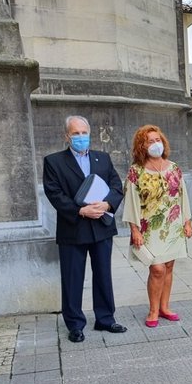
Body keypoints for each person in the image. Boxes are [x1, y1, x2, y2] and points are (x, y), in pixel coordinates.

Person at [43, 116, 126, 343]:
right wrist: (80, 211)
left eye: (84, 133)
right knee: (72, 278)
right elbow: (54, 193)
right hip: (73, 229)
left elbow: (116, 186)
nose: (80, 137)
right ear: (66, 136)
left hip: (101, 227)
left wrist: (107, 204)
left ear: (90, 133)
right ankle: (75, 324)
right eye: (75, 133)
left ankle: (105, 319)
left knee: (103, 275)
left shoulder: (103, 158)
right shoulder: (54, 161)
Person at [123, 125, 192, 327]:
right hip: (148, 229)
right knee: (157, 269)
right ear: (142, 146)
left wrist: (187, 222)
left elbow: (182, 196)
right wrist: (134, 230)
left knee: (169, 266)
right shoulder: (136, 172)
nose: (155, 144)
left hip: (173, 226)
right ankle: (153, 310)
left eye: (157, 140)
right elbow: (130, 202)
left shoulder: (174, 168)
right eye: (150, 141)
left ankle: (164, 307)